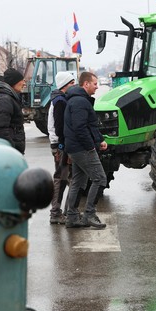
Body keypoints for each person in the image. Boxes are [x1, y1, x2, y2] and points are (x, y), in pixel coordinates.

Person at [63, 71, 108, 229]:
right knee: (100, 179)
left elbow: (90, 125)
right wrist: (91, 146)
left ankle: (72, 217)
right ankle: (89, 214)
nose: (97, 87)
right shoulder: (80, 102)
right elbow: (80, 128)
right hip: (81, 148)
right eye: (95, 84)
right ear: (86, 84)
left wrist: (99, 139)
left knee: (78, 181)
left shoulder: (78, 100)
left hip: (75, 147)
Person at [48, 71, 76, 225]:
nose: (74, 85)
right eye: (71, 83)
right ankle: (56, 213)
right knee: (61, 177)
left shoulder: (60, 98)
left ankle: (66, 211)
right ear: (64, 85)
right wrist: (63, 145)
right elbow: (60, 128)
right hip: (60, 145)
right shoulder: (60, 101)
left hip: (60, 143)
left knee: (66, 177)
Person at [0, 68, 26, 153]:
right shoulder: (4, 101)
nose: (24, 83)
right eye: (22, 80)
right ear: (14, 82)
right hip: (8, 152)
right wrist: (12, 149)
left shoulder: (7, 98)